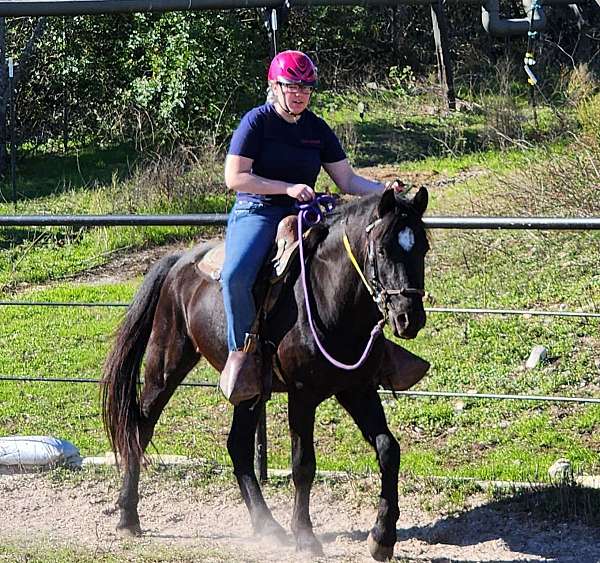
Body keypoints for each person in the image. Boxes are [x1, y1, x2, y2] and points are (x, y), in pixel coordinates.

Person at [220, 50, 409, 403]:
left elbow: (347, 180)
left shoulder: (316, 128)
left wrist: (385, 190)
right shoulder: (256, 122)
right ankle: (242, 353)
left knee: (352, 264)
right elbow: (235, 178)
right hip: (258, 210)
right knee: (235, 276)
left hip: (306, 212)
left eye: (306, 88)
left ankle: (374, 351)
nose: (300, 94)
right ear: (274, 86)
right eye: (292, 86)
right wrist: (286, 187)